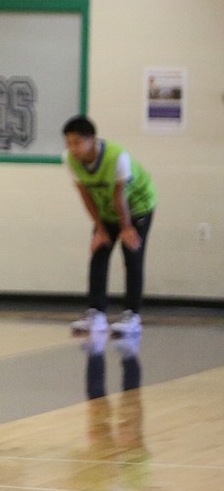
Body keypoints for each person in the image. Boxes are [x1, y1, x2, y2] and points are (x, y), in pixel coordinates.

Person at [62, 115, 156, 336]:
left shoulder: (117, 156)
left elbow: (119, 196)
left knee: (132, 254)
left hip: (137, 207)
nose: (72, 149)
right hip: (107, 210)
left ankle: (132, 315)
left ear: (92, 140)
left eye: (77, 143)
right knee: (99, 253)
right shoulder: (70, 159)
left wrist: (125, 229)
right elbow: (85, 195)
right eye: (68, 143)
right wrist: (100, 230)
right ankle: (96, 313)